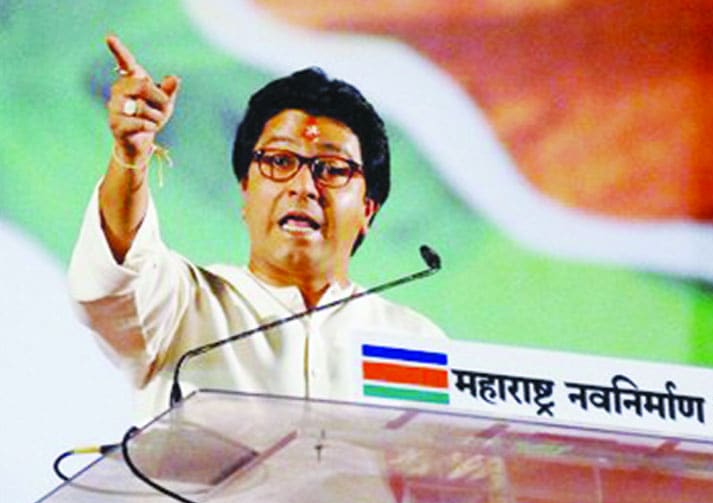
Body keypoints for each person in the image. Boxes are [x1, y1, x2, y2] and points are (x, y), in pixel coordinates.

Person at [69, 35, 445, 422]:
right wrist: (130, 154)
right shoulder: (182, 305)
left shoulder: (411, 340)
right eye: (279, 161)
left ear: (367, 209)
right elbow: (118, 271)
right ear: (246, 190)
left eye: (332, 169)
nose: (303, 187)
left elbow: (443, 453)